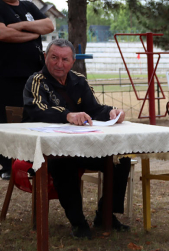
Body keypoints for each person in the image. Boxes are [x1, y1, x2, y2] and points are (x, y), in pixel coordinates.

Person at [23, 39, 130, 239]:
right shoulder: (36, 81)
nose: (59, 64)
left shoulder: (79, 80)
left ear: (73, 61)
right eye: (54, 58)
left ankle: (105, 214)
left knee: (120, 160)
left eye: (65, 59)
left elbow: (94, 109)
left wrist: (112, 113)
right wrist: (67, 115)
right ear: (45, 57)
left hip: (82, 146)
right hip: (46, 150)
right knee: (64, 162)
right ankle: (78, 223)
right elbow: (37, 110)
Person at [0, 0, 53, 180]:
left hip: (35, 76)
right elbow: (3, 33)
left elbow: (48, 25)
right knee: (8, 121)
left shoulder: (28, 6)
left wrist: (21, 25)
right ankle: (8, 165)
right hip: (8, 76)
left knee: (33, 118)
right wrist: (33, 33)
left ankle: (31, 163)